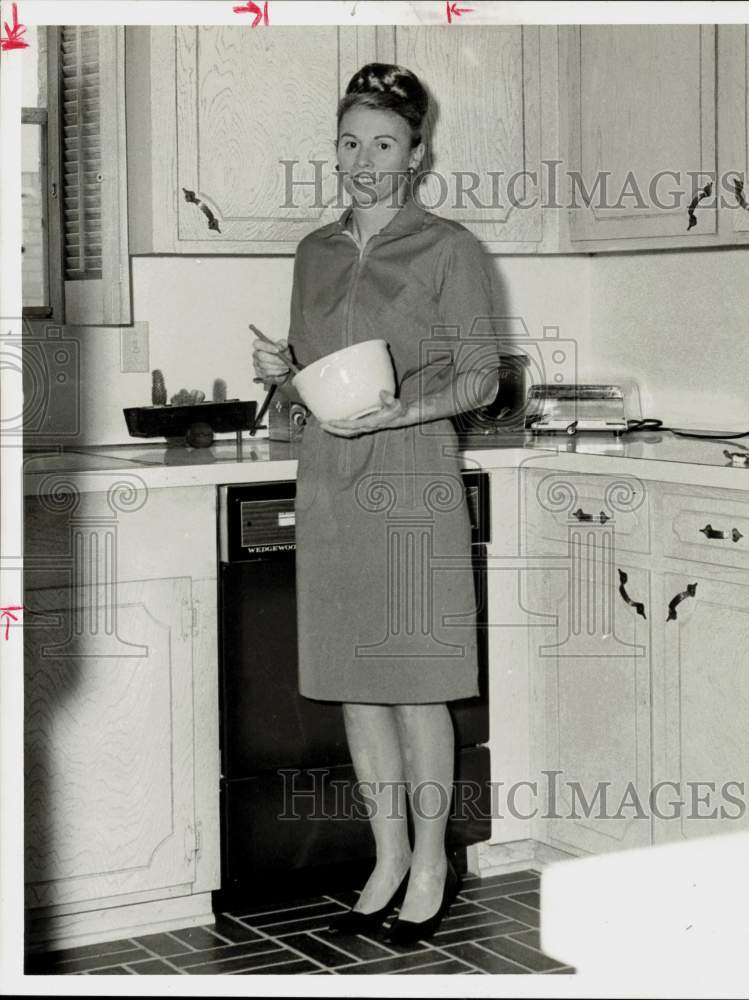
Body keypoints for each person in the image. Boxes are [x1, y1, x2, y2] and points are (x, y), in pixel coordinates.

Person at [252, 63, 500, 944]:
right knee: (358, 687)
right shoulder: (312, 251)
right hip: (328, 477)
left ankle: (433, 862)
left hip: (411, 477)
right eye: (350, 142)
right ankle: (386, 856)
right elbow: (310, 380)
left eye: (383, 144)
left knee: (415, 686)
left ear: (415, 155)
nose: (364, 161)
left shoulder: (448, 249)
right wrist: (281, 375)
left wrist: (409, 408)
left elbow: (479, 377)